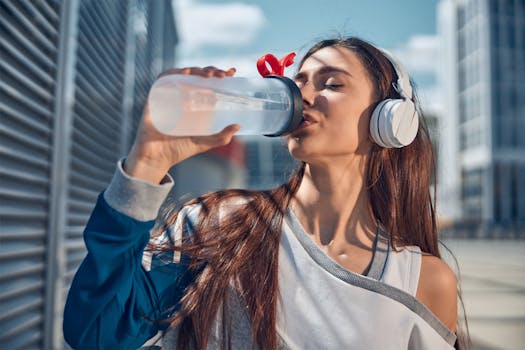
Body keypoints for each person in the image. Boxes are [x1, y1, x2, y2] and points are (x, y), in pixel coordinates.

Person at [63, 37, 464, 349]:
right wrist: (147, 164)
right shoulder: (218, 226)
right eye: (298, 82)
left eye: (331, 83)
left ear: (390, 120)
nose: (302, 96)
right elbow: (98, 332)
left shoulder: (422, 280)